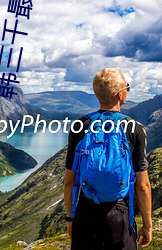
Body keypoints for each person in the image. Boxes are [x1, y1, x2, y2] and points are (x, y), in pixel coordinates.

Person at [64, 68, 152, 250]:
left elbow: (69, 181)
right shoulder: (134, 129)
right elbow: (142, 185)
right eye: (128, 87)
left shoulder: (80, 125)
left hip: (86, 212)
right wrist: (147, 225)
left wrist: (70, 218)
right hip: (119, 215)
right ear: (120, 94)